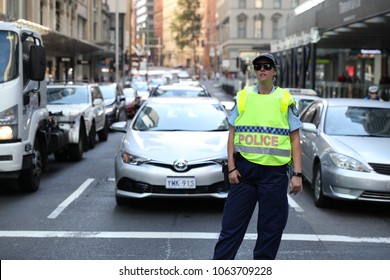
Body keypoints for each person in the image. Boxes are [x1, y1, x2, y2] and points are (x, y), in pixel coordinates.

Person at [213, 53, 303, 260]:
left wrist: (297, 173)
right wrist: (232, 167)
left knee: (270, 232)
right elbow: (232, 133)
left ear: (274, 71)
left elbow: (295, 139)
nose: (262, 69)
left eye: (267, 66)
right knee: (230, 230)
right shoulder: (244, 96)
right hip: (244, 173)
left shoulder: (285, 99)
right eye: (258, 66)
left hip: (274, 175)